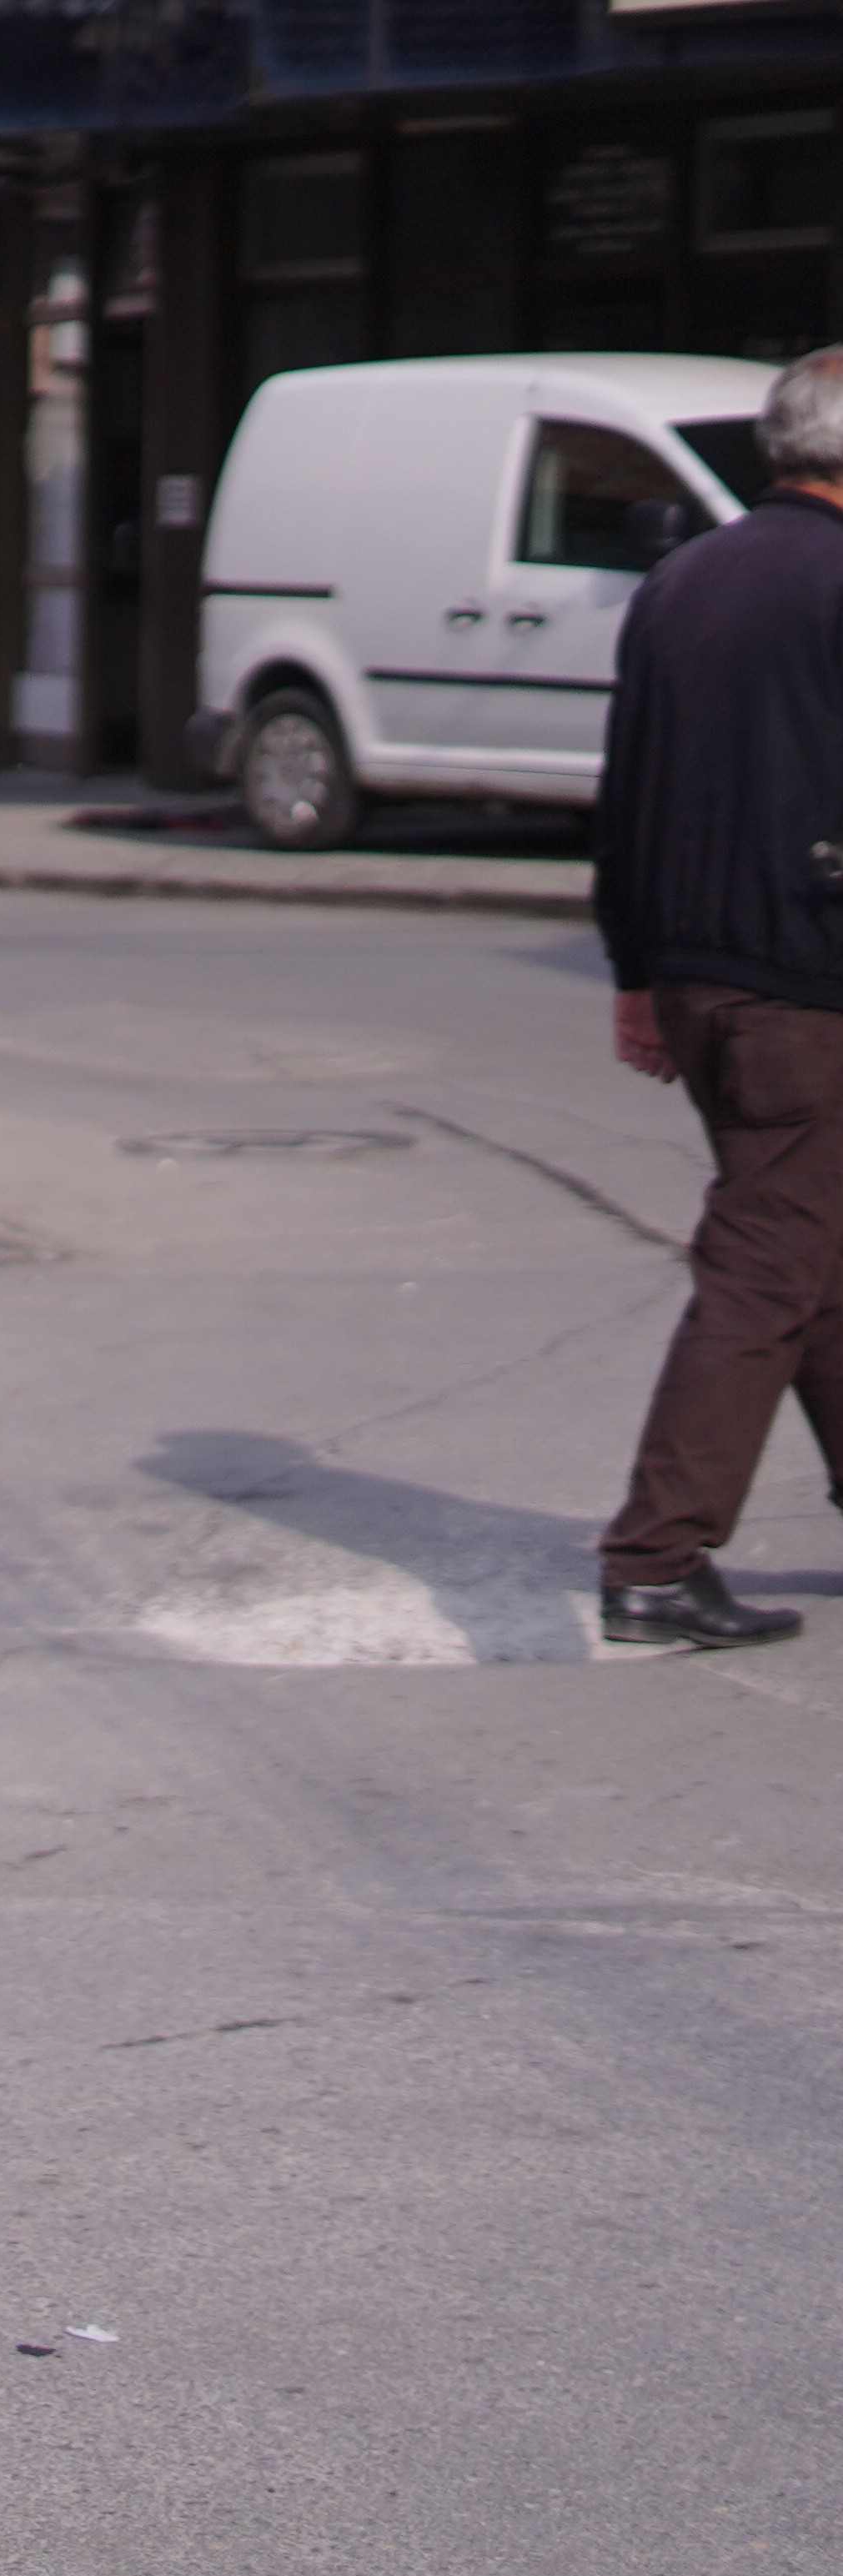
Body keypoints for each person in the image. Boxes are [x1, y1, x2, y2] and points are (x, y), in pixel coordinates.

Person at [591, 344, 843, 1650]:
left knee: (815, 1244)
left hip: (700, 972)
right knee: (768, 1261)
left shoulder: (682, 579)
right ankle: (655, 1559)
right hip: (808, 980)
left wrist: (635, 973)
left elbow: (623, 794)